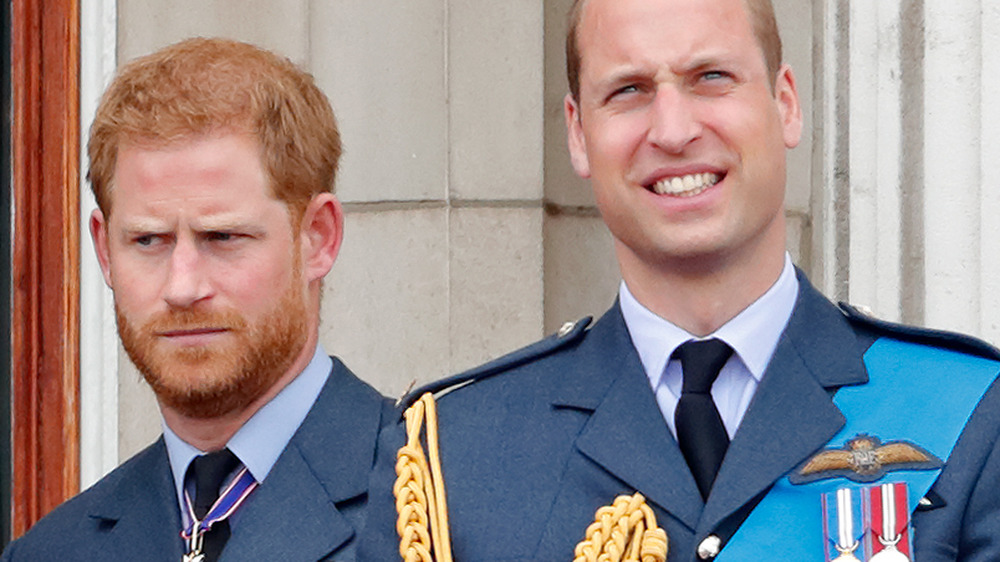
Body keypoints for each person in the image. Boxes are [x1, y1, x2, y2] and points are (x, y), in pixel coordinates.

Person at [360, 0, 1000, 560]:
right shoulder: (454, 455)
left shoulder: (971, 417)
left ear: (785, 104)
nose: (673, 130)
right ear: (579, 134)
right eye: (629, 90)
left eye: (711, 77)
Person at [2, 38, 393, 562]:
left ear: (318, 238)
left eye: (222, 237)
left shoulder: (444, 510)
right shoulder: (51, 553)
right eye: (148, 240)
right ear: (103, 249)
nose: (183, 287)